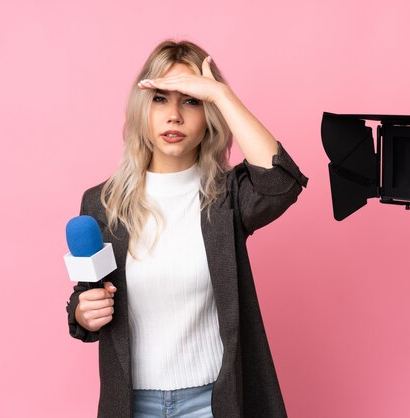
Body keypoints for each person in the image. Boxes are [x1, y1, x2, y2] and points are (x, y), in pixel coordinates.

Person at [66, 40, 307, 418]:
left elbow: (280, 182)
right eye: (160, 99)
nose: (174, 115)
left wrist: (220, 94)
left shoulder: (227, 196)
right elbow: (87, 298)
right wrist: (82, 313)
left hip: (213, 404)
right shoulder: (103, 203)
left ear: (209, 114)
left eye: (191, 100)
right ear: (141, 109)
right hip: (131, 405)